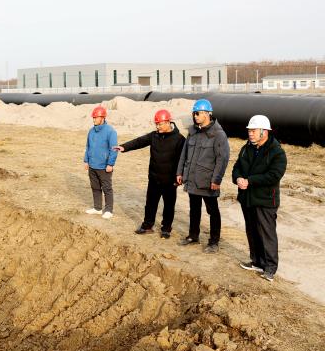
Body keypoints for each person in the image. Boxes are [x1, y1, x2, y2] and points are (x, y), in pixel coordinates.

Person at [113, 109, 185, 239]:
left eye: (160, 124)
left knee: (169, 206)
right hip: (154, 178)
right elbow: (139, 141)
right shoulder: (154, 136)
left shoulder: (179, 139)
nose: (158, 126)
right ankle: (147, 226)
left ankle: (166, 228)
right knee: (150, 203)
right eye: (156, 124)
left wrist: (181, 176)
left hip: (170, 180)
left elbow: (184, 160)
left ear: (168, 122)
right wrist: (124, 147)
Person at [232, 115, 287, 282]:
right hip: (247, 198)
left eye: (253, 130)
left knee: (267, 233)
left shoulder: (276, 152)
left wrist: (250, 181)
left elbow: (274, 175)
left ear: (265, 131)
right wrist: (238, 179)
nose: (250, 133)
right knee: (252, 231)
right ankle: (256, 261)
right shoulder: (247, 148)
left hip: (265, 200)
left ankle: (270, 267)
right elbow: (237, 167)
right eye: (249, 130)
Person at [176, 99, 230, 253]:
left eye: (198, 113)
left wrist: (216, 180)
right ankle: (193, 236)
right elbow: (184, 154)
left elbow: (222, 159)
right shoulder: (192, 132)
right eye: (194, 113)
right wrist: (180, 172)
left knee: (212, 211)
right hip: (192, 178)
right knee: (194, 209)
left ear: (208, 114)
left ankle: (214, 242)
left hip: (208, 181)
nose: (195, 116)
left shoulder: (218, 135)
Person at [84, 105, 118, 219]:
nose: (94, 119)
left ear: (102, 117)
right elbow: (88, 147)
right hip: (92, 165)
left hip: (104, 167)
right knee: (95, 187)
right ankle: (97, 208)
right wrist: (86, 161)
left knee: (107, 188)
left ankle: (109, 210)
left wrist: (110, 164)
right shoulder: (91, 131)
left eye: (96, 117)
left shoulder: (110, 131)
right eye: (93, 117)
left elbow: (113, 149)